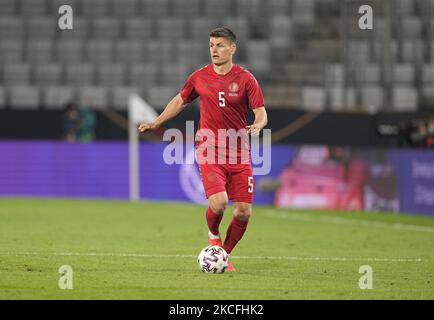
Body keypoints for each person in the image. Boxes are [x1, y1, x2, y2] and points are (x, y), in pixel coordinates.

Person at [138, 27, 268, 271]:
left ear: (232, 48)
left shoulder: (246, 79)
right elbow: (179, 101)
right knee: (219, 203)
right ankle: (213, 233)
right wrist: (156, 122)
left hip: (239, 152)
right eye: (211, 45)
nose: (214, 50)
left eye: (219, 45)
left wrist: (258, 125)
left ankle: (222, 255)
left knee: (243, 212)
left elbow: (261, 113)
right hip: (210, 149)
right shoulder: (199, 77)